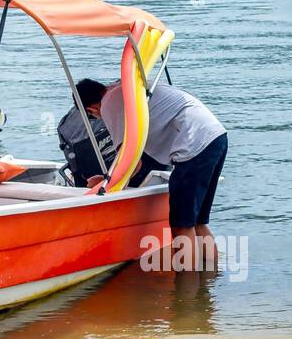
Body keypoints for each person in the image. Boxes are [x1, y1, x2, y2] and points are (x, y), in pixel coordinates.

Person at [76, 77, 226, 271]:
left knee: (182, 226)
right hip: (215, 136)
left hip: (193, 146)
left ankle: (187, 294)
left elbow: (132, 162)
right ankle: (209, 284)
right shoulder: (125, 85)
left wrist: (104, 184)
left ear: (91, 110)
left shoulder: (109, 103)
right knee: (198, 223)